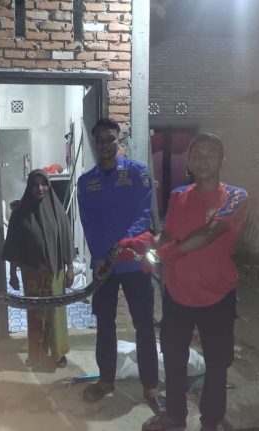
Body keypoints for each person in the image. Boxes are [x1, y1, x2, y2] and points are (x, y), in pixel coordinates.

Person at [119, 133, 249, 431]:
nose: (203, 160)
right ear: (188, 161)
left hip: (218, 295)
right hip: (178, 294)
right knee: (174, 359)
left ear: (222, 160)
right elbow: (169, 235)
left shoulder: (236, 196)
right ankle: (175, 416)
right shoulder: (179, 195)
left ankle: (211, 420)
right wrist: (143, 244)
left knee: (217, 363)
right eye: (197, 155)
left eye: (210, 154)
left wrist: (164, 254)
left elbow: (210, 232)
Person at [76, 118, 161, 412]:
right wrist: (100, 255)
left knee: (144, 325)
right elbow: (89, 223)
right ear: (94, 143)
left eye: (110, 139)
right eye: (99, 140)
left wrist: (122, 245)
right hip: (104, 265)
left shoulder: (137, 173)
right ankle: (106, 380)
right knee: (104, 323)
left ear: (118, 140)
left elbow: (143, 216)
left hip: (134, 262)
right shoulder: (86, 182)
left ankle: (151, 386)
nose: (105, 145)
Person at [2, 169, 75, 368]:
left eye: (43, 184)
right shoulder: (20, 213)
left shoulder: (57, 210)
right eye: (35, 185)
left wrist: (70, 267)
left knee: (55, 313)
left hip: (55, 272)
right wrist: (12, 274)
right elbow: (14, 245)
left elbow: (66, 239)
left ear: (48, 186)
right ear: (29, 187)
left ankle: (58, 353)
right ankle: (36, 353)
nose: (40, 188)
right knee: (35, 314)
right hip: (31, 273)